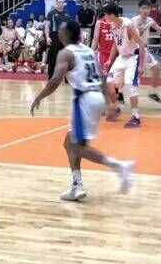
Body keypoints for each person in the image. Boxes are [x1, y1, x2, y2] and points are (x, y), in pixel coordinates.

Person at [29, 20, 134, 201]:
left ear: (66, 34)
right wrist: (109, 102)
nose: (58, 32)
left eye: (60, 30)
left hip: (83, 100)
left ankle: (119, 166)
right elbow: (101, 76)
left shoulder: (66, 53)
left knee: (77, 147)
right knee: (69, 142)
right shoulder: (87, 50)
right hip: (95, 98)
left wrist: (39, 97)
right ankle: (77, 185)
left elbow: (55, 80)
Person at [102, 3, 146, 128]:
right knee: (109, 82)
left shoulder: (128, 26)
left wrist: (141, 66)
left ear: (112, 15)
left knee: (128, 84)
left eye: (105, 14)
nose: (104, 17)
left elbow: (141, 45)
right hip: (122, 57)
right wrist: (110, 60)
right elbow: (116, 43)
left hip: (133, 57)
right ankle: (115, 108)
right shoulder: (113, 25)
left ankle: (136, 117)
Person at [45, 0, 72, 79]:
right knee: (53, 57)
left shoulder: (67, 13)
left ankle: (67, 77)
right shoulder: (51, 13)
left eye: (62, 2)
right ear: (56, 3)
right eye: (59, 2)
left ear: (64, 4)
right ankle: (51, 76)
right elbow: (47, 26)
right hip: (55, 36)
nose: (61, 4)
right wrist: (47, 37)